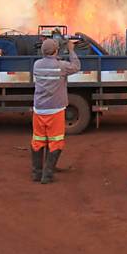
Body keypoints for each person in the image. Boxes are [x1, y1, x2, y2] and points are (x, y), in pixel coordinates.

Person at [30, 38, 80, 183]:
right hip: (55, 110)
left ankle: (36, 173)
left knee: (38, 140)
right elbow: (76, 66)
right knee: (56, 141)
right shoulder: (61, 66)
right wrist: (71, 49)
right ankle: (47, 175)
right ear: (56, 50)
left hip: (39, 110)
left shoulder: (36, 65)